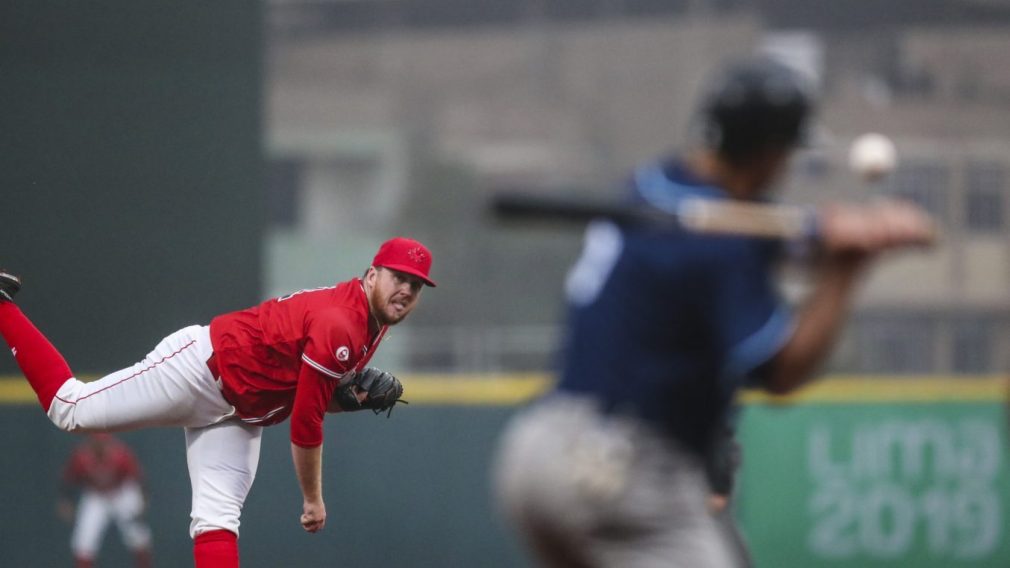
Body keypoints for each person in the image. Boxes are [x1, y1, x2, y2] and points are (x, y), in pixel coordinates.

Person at [493, 57, 935, 567]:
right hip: (620, 473)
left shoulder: (655, 185)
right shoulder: (716, 247)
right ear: (767, 152)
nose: (786, 165)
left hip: (537, 453)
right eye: (785, 151)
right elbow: (782, 371)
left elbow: (751, 234)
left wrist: (826, 229)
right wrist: (844, 270)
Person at [0, 236, 435, 568]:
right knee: (70, 408)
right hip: (198, 370)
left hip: (241, 413)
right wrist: (312, 500)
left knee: (217, 520)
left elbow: (308, 393)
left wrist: (348, 398)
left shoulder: (373, 321)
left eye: (416, 286)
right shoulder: (343, 322)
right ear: (372, 274)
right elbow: (305, 423)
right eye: (400, 278)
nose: (407, 291)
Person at [58, 433, 153, 568]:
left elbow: (138, 477)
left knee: (139, 537)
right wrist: (65, 501)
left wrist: (142, 500)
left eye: (103, 443)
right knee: (83, 542)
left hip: (121, 493)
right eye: (97, 443)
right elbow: (68, 479)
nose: (101, 446)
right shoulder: (82, 456)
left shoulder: (120, 453)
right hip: (96, 496)